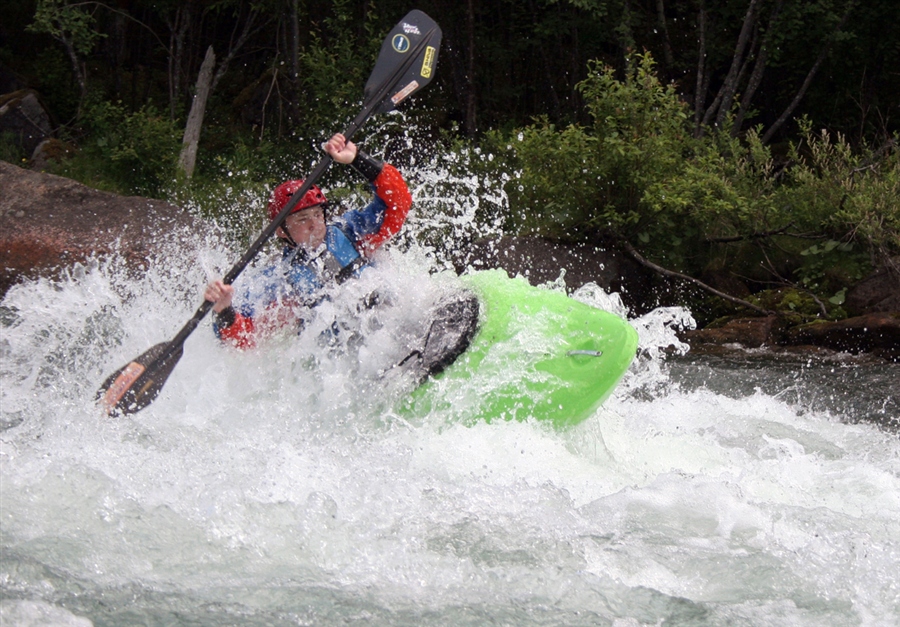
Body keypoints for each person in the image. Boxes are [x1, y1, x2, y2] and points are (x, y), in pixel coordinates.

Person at [203, 133, 413, 349]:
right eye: (303, 219)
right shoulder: (280, 280)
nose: (315, 224)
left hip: (391, 320)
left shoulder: (351, 230)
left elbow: (399, 201)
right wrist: (224, 310)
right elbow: (243, 340)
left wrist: (357, 158)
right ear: (282, 231)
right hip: (349, 353)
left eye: (317, 214)